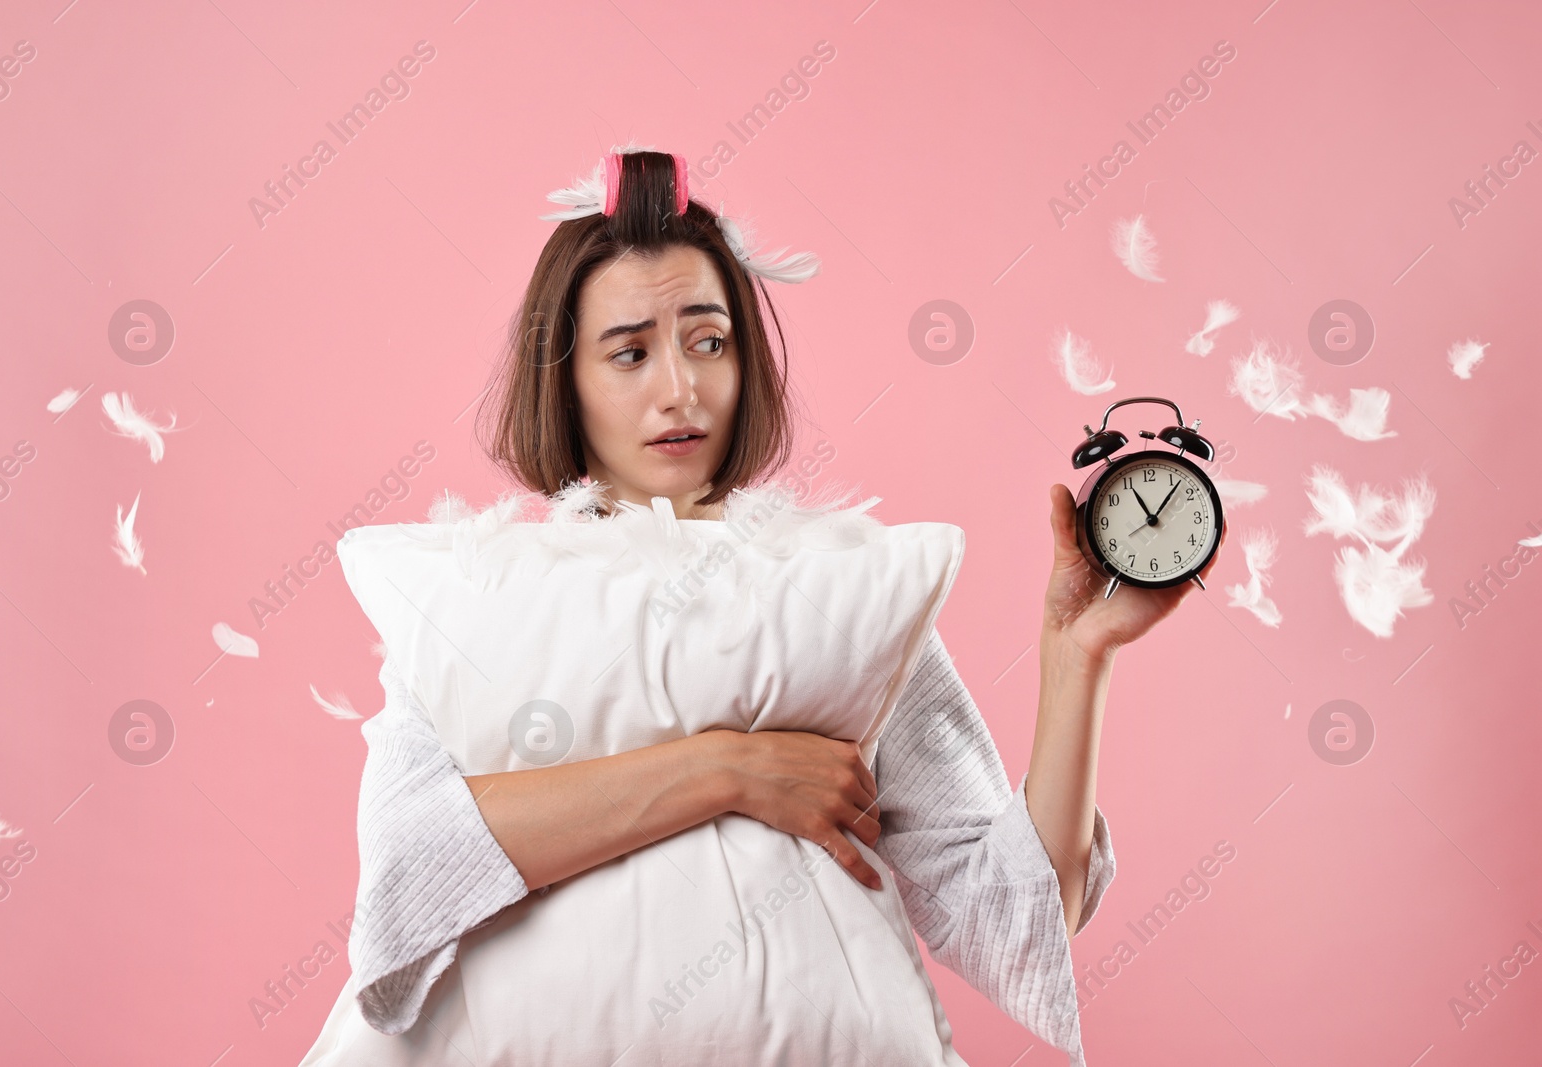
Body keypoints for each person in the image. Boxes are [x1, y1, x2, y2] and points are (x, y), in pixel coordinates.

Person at [298, 145, 1224, 1067]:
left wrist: (1076, 655)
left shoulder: (839, 600)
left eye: (710, 341)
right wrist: (729, 770)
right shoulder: (484, 600)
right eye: (629, 353)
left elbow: (1015, 917)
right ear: (566, 381)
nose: (681, 389)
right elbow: (413, 865)